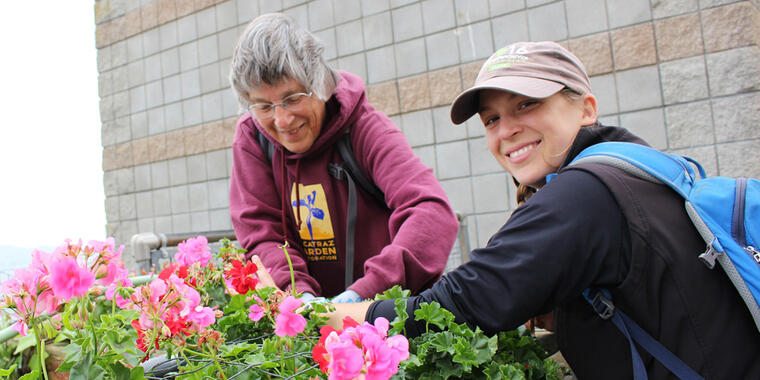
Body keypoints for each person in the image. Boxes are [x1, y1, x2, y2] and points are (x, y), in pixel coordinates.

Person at [324, 41, 760, 379]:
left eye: (526, 104)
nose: (508, 129)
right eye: (492, 119)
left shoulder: (586, 194)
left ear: (586, 108)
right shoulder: (638, 166)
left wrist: (346, 315)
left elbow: (467, 301)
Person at [227, 13, 459, 303]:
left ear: (321, 84)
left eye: (293, 98)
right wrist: (298, 294)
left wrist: (365, 293)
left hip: (383, 315)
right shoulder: (253, 139)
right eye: (263, 105)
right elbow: (261, 234)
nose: (282, 120)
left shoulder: (363, 128)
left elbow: (431, 213)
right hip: (306, 325)